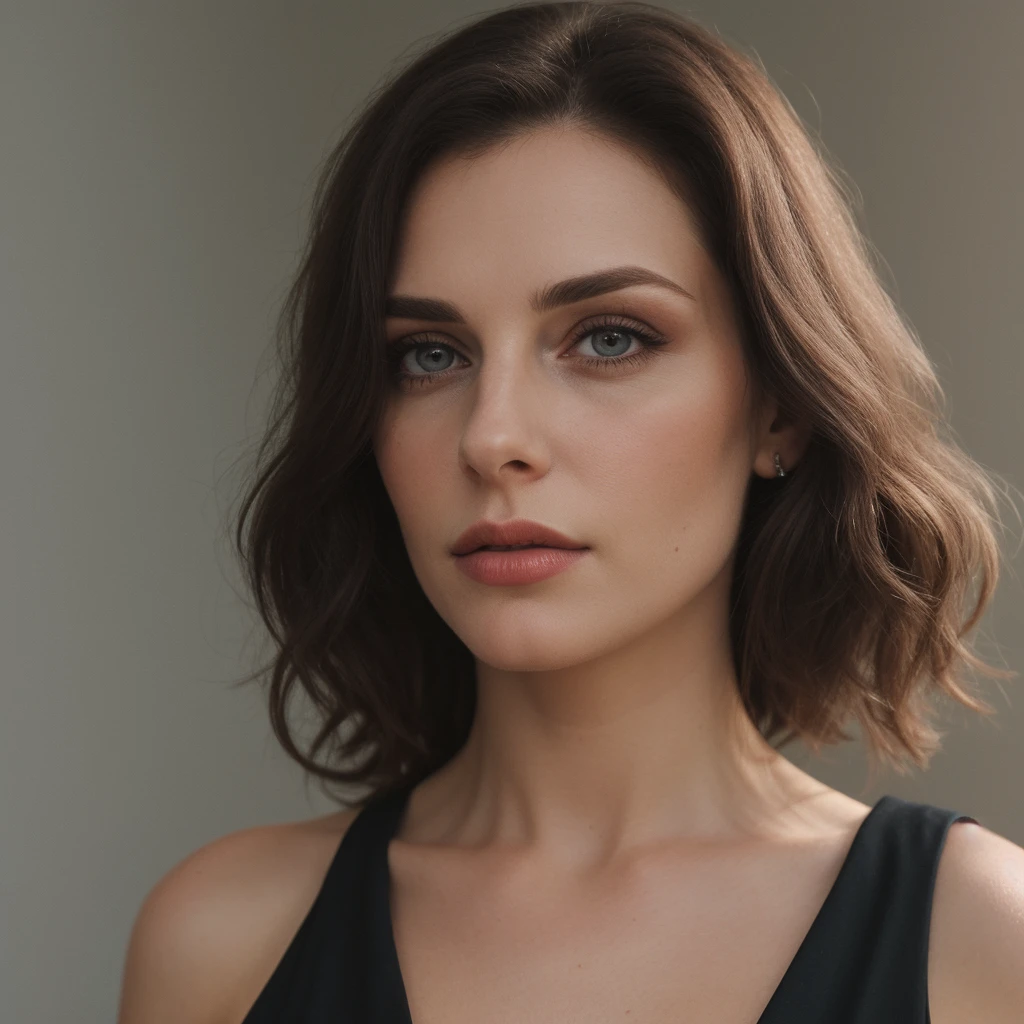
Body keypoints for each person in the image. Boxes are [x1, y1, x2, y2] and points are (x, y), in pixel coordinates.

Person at [116, 3, 1024, 1022]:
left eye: (608, 338)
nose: (491, 434)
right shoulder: (224, 945)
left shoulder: (983, 945)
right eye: (429, 354)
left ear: (780, 406)